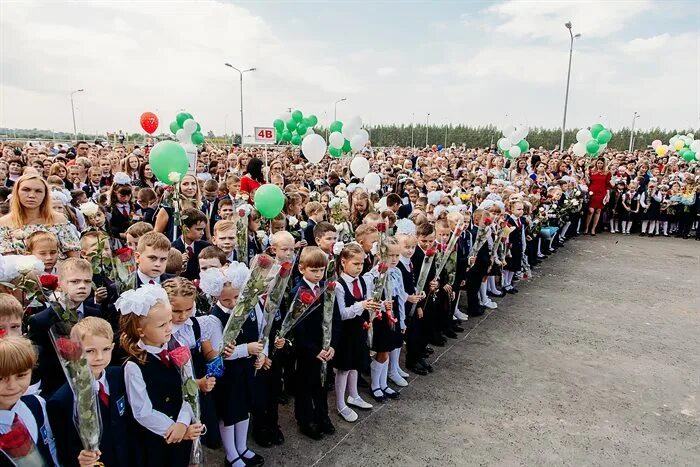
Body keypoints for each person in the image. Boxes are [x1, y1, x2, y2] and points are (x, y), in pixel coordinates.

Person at [117, 285, 203, 467]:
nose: (169, 328)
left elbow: (189, 387)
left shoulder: (176, 345)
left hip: (182, 425)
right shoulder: (134, 366)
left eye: (170, 321)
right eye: (162, 325)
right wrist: (173, 429)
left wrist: (183, 421)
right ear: (141, 331)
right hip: (158, 435)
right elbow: (142, 411)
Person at [199, 262, 265, 467]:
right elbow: (221, 352)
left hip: (248, 369)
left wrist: (262, 353)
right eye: (226, 299)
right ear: (215, 296)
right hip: (229, 373)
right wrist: (248, 349)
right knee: (229, 413)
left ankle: (242, 446)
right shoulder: (214, 318)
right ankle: (231, 453)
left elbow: (262, 332)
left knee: (244, 409)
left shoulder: (251, 305)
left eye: (236, 297)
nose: (232, 303)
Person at [47, 317, 135, 467]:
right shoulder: (62, 400)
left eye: (106, 349)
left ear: (113, 347)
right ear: (74, 351)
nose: (99, 357)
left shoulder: (119, 376)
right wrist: (79, 460)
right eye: (90, 351)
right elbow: (63, 449)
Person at [27, 258, 103, 397]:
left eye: (87, 281)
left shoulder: (96, 313)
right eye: (75, 281)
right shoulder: (41, 320)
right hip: (58, 390)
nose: (82, 286)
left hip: (92, 386)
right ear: (60, 284)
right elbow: (40, 363)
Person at [290, 246, 338, 439]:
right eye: (314, 270)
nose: (318, 274)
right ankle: (306, 419)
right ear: (302, 268)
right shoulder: (297, 291)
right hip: (308, 351)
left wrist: (332, 343)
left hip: (326, 348)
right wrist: (313, 350)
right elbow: (296, 327)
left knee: (322, 384)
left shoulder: (327, 288)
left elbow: (336, 318)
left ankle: (322, 415)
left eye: (321, 270)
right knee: (305, 386)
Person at [333, 243, 379, 423]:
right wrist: (361, 306)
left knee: (355, 365)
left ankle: (353, 395)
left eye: (361, 264)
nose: (359, 268)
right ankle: (340, 403)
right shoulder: (338, 285)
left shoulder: (362, 280)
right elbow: (342, 313)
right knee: (344, 368)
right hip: (345, 333)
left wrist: (380, 305)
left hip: (359, 328)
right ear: (343, 262)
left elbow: (368, 299)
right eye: (355, 264)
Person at [0, 336, 60, 466]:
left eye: (21, 375)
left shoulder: (36, 404)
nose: (12, 386)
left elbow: (51, 448)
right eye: (1, 378)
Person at [0, 173, 80, 256]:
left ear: (45, 195)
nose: (31, 195)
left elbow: (74, 257)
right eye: (26, 190)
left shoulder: (59, 221)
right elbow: (6, 261)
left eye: (38, 191)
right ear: (17, 192)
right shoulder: (4, 224)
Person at [171, 208, 210, 280]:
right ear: (185, 228)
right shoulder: (172, 248)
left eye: (203, 229)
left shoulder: (206, 247)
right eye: (198, 229)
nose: (202, 233)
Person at [583, 158, 611, 236]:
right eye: (598, 163)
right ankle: (586, 228)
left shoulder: (607, 173)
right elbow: (588, 183)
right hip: (592, 192)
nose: (599, 165)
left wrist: (607, 195)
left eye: (601, 163)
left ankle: (593, 229)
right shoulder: (592, 171)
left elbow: (608, 185)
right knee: (590, 210)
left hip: (602, 193)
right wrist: (586, 175)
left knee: (598, 210)